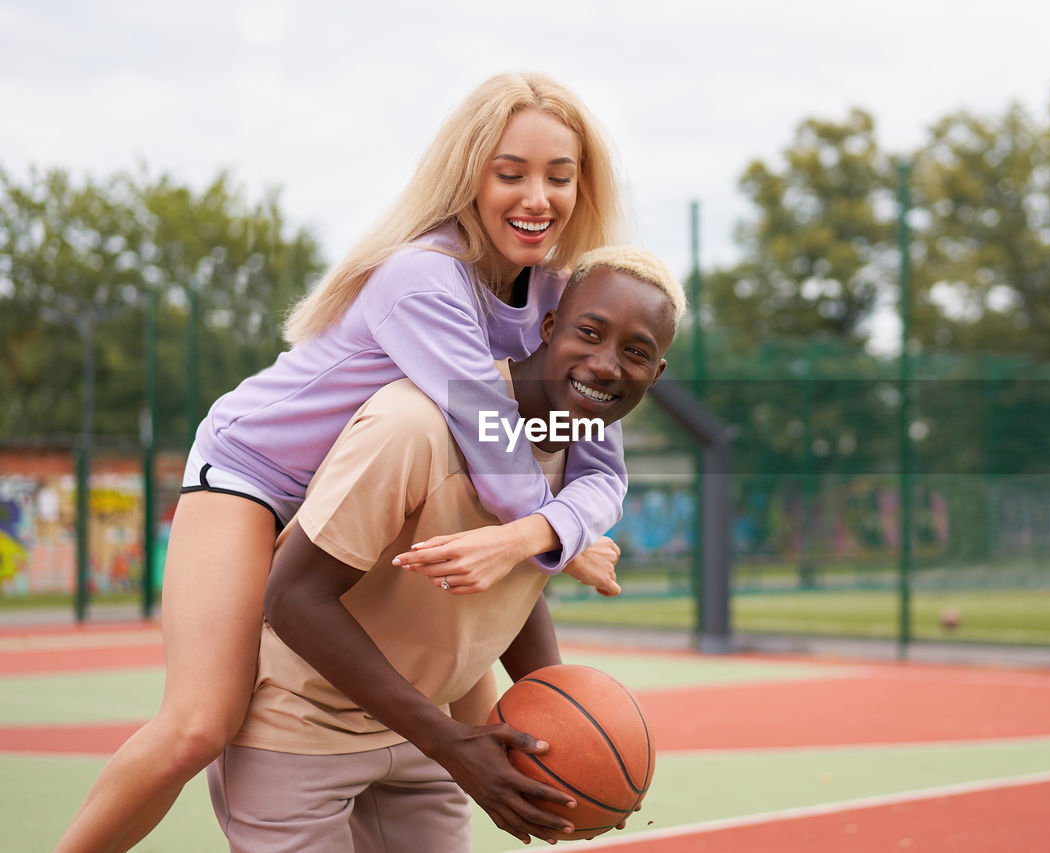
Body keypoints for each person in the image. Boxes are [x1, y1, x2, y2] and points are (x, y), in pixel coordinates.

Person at [55, 72, 631, 853]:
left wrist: (553, 532)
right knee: (201, 721)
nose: (538, 196)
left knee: (468, 689)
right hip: (259, 476)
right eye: (511, 173)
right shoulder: (425, 277)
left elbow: (599, 465)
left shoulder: (561, 298)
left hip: (373, 494)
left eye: (559, 177)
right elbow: (499, 468)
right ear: (469, 175)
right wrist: (554, 535)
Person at [208, 247, 684, 851]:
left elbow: (508, 584)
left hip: (417, 735)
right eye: (589, 333)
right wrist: (449, 741)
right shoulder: (413, 426)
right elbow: (293, 597)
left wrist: (571, 748)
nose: (606, 364)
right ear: (547, 328)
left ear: (656, 373)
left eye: (635, 352)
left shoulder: (576, 447)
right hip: (301, 725)